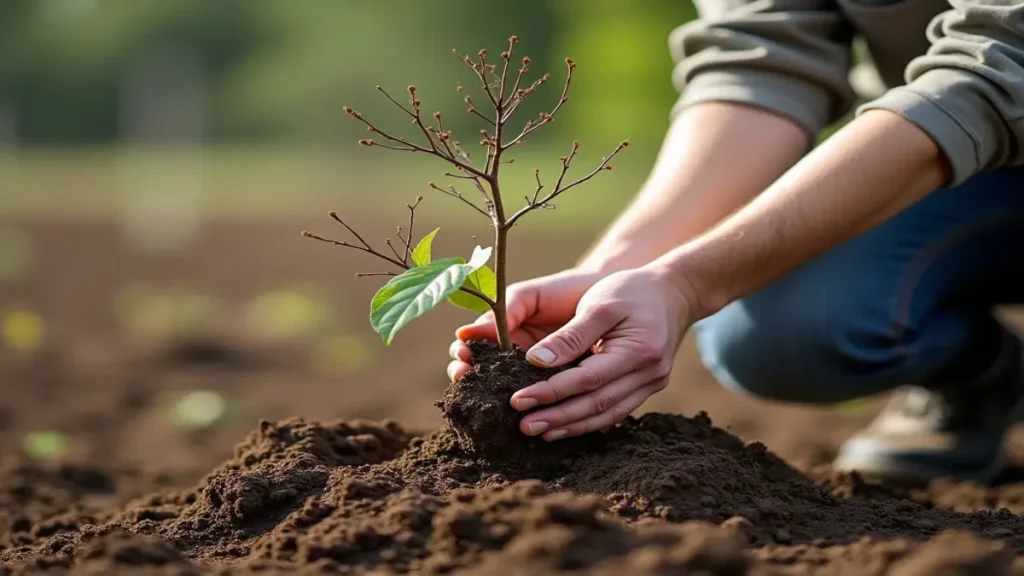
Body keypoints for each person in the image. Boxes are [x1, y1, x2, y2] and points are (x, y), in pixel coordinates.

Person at [448, 0, 1024, 484]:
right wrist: (614, 271)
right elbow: (762, 58)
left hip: (975, 115)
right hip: (964, 162)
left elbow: (1004, 57)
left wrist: (688, 282)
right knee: (779, 328)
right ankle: (983, 375)